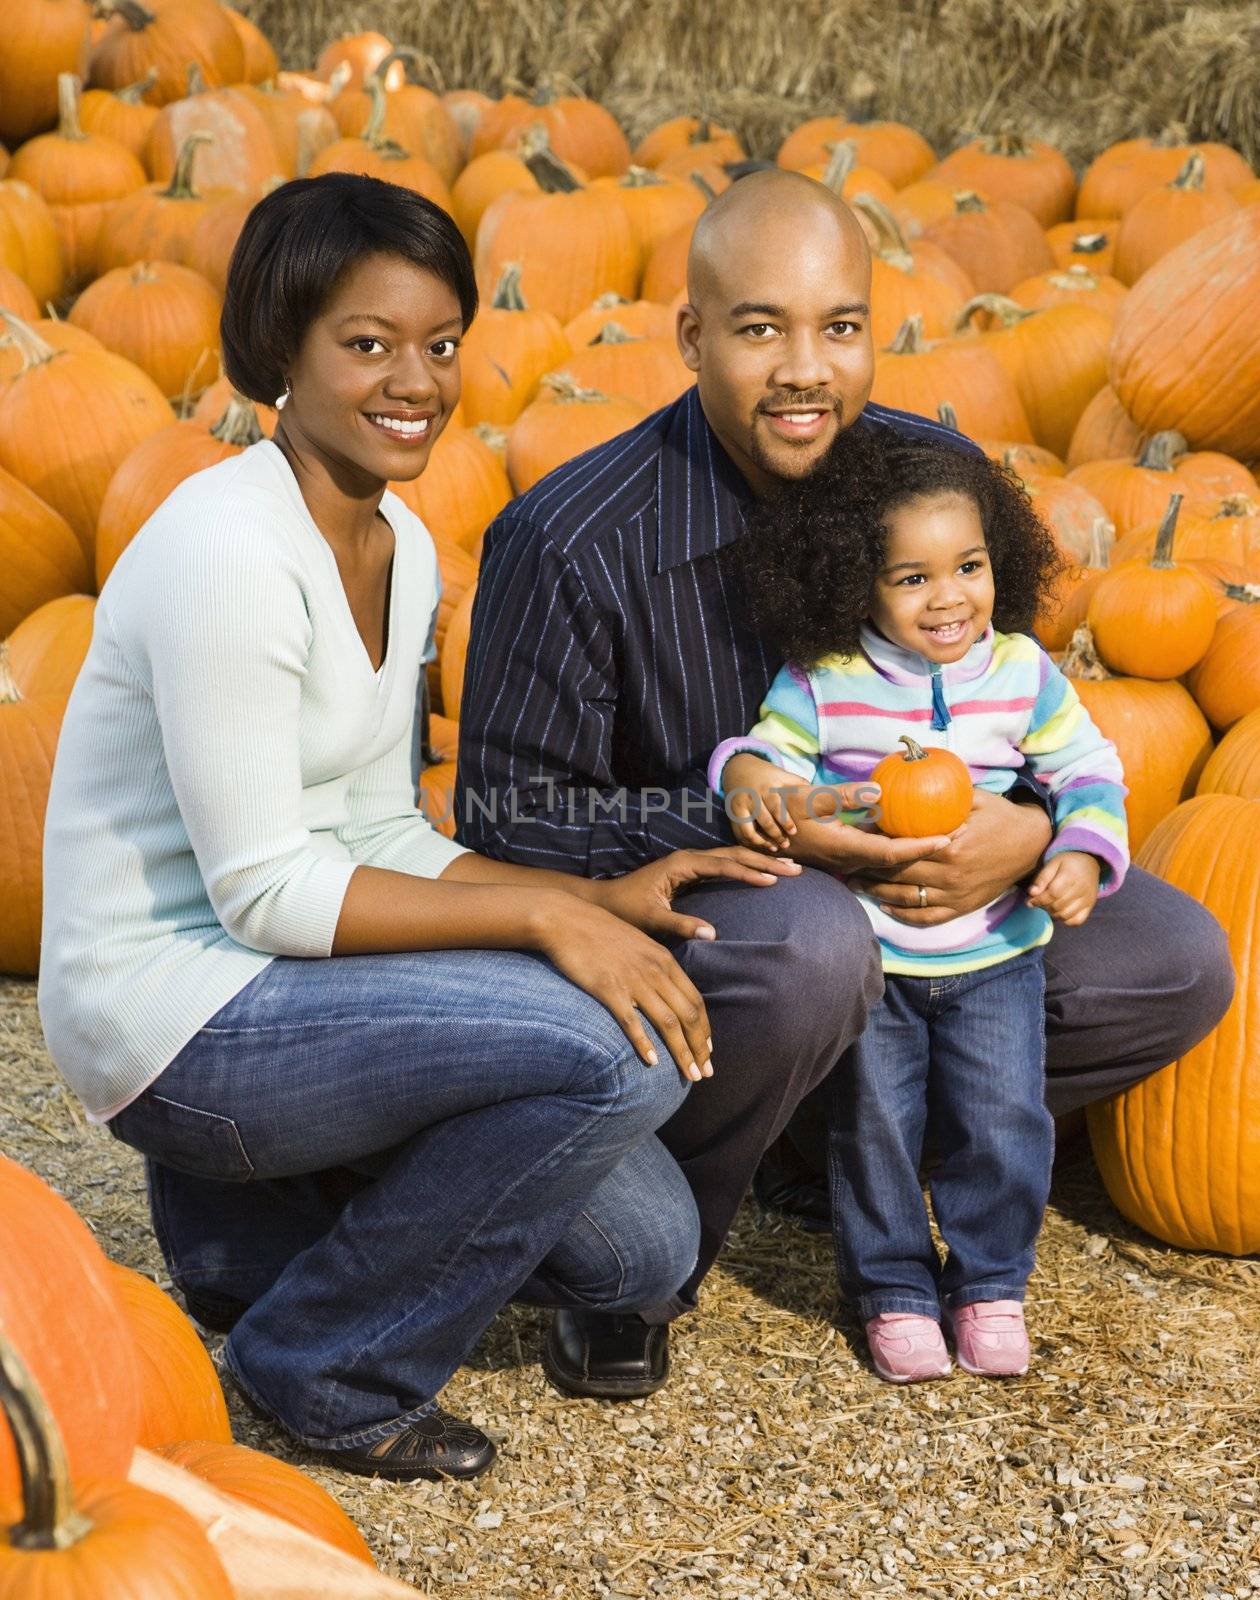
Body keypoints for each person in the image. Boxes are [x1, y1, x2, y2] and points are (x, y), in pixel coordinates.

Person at [36, 172, 798, 1481]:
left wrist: (595, 902)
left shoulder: (404, 540)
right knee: (613, 1056)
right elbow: (267, 893)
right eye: (368, 343)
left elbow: (377, 822)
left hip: (288, 991)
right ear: (280, 350)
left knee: (640, 1254)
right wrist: (547, 913)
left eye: (439, 344)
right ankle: (327, 1362)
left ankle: (244, 1231)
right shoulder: (226, 550)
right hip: (171, 1009)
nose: (417, 380)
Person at [455, 167, 1234, 1396]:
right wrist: (752, 822)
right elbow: (504, 817)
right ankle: (631, 1268)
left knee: (1173, 959)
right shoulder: (569, 539)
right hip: (733, 923)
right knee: (816, 945)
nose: (804, 368)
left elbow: (1024, 705)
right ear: (693, 335)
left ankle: (830, 1136)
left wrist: (1026, 834)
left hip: (944, 907)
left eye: (839, 327)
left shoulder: (931, 474)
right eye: (761, 329)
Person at [711, 432, 1130, 1381]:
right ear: (856, 583)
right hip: (879, 959)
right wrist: (783, 799)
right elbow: (758, 763)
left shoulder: (1022, 672)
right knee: (875, 1130)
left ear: (1000, 564)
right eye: (912, 578)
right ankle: (893, 1291)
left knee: (1001, 1119)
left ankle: (989, 1284)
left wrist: (1078, 850)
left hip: (994, 955)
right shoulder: (825, 682)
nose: (948, 598)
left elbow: (1088, 770)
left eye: (969, 567)